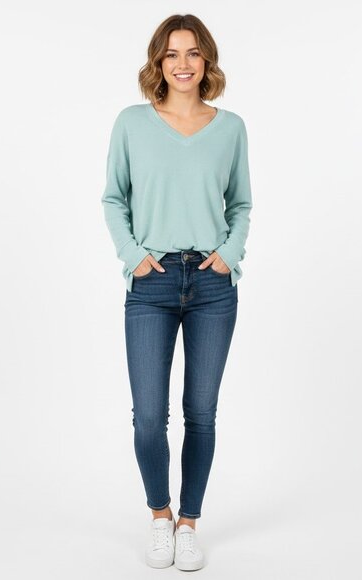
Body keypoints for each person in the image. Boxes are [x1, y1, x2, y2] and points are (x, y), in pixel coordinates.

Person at [101, 13, 253, 571]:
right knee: (148, 416)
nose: (182, 63)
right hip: (152, 282)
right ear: (158, 62)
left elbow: (240, 204)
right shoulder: (132, 123)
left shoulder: (230, 127)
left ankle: (189, 524)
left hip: (213, 285)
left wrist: (229, 254)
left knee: (201, 413)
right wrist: (133, 256)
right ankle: (160, 515)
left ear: (206, 58)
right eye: (171, 53)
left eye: (192, 52)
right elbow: (113, 198)